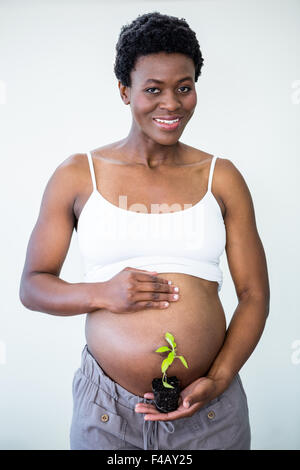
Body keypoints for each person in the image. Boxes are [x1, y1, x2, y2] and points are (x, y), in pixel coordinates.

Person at [19, 11, 270, 450]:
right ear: (124, 91)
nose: (171, 103)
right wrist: (102, 294)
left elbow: (254, 296)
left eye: (184, 87)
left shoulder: (222, 176)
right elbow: (33, 285)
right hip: (108, 413)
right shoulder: (79, 175)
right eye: (153, 89)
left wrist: (220, 377)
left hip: (210, 412)